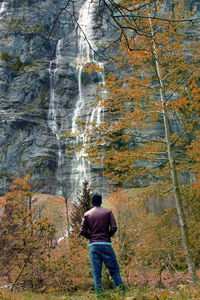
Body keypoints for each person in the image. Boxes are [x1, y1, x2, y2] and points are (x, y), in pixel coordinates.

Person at [80, 193, 125, 296]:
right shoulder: (108, 212)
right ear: (101, 201)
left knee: (96, 273)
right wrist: (107, 236)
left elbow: (82, 231)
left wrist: (91, 237)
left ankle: (100, 296)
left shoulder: (87, 214)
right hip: (106, 244)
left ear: (92, 202)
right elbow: (114, 228)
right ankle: (121, 294)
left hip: (94, 246)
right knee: (114, 270)